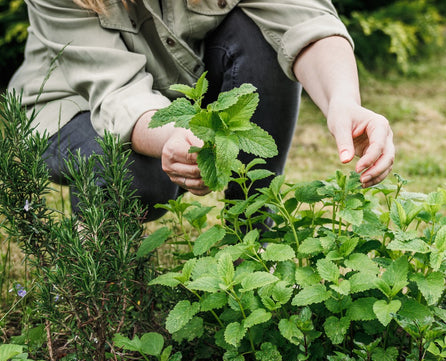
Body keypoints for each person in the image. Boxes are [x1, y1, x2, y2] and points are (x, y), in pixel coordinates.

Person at [9, 0, 395, 222]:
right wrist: (173, 138)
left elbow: (303, 17)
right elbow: (117, 95)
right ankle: (104, 283)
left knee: (262, 37)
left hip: (175, 86)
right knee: (138, 173)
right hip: (70, 105)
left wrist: (343, 99)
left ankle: (253, 234)